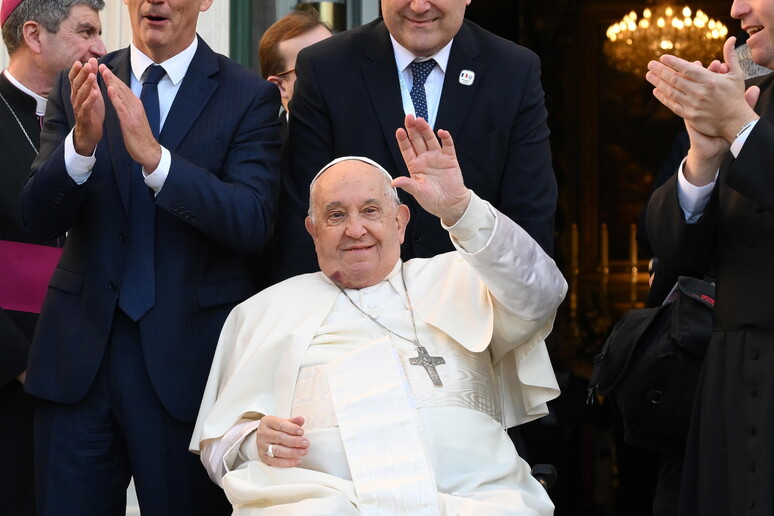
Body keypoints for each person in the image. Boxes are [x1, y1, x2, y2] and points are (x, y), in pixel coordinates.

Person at [191, 114, 567, 515]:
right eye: (336, 215)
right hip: (325, 504)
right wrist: (254, 441)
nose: (355, 230)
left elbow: (542, 293)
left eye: (371, 211)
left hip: (472, 500)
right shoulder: (264, 311)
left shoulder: (460, 277)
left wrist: (462, 209)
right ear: (312, 230)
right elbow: (218, 446)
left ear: (400, 223)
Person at [19, 0, 282, 513]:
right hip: (78, 363)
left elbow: (251, 221)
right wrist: (81, 146)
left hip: (187, 369)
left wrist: (158, 161)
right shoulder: (81, 84)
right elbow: (36, 217)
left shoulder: (248, 95)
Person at [272, 0, 557, 281]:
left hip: (474, 309)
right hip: (355, 312)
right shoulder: (325, 67)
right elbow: (303, 216)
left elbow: (530, 217)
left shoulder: (513, 72)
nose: (419, 6)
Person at [645, 0, 774, 513]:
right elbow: (670, 249)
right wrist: (702, 157)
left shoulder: (742, 107)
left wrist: (742, 128)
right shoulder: (751, 88)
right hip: (731, 380)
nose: (736, 7)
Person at [0, 0, 105, 514]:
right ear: (35, 35)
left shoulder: (105, 113)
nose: (101, 48)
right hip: (10, 376)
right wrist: (18, 362)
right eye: (86, 31)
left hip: (88, 375)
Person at [258, 7, 331, 121]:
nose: (336, 73)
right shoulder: (267, 138)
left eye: (337, 61)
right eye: (316, 68)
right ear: (280, 87)